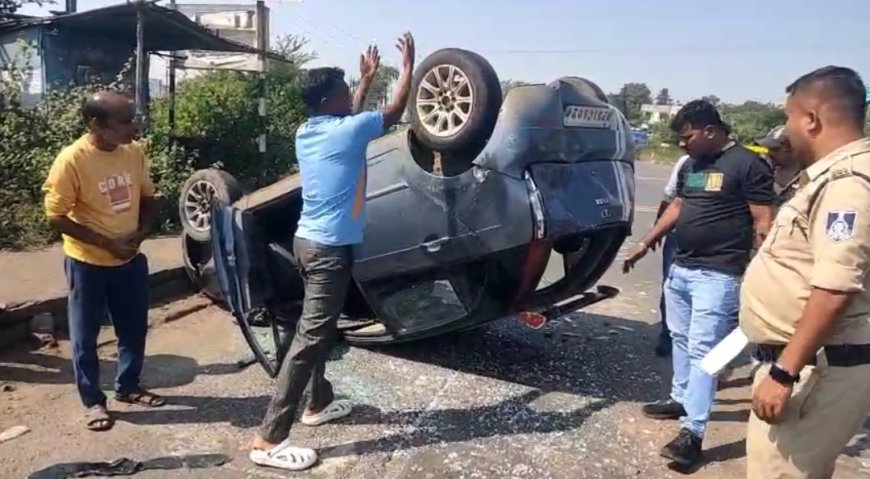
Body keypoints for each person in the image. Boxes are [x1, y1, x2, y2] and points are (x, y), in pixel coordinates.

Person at [248, 33, 416, 472]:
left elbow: (353, 113)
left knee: (314, 329)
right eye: (344, 93)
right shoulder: (348, 129)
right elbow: (394, 111)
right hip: (327, 251)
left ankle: (317, 403)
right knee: (310, 340)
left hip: (307, 243)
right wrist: (408, 67)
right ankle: (269, 439)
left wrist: (362, 81)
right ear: (328, 100)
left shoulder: (309, 130)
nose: (350, 98)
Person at [622, 100, 775, 469]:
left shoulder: (747, 165)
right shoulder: (694, 165)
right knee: (679, 339)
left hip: (718, 274)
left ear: (710, 130)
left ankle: (693, 433)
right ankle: (680, 399)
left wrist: (763, 270)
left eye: (687, 136)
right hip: (682, 269)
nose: (682, 144)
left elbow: (763, 221)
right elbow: (677, 207)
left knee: (706, 353)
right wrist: (645, 243)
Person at [740, 65, 870, 479]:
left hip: (814, 370)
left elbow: (835, 287)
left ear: (811, 119)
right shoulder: (835, 177)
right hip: (813, 364)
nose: (785, 129)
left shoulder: (847, 183)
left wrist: (784, 372)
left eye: (788, 118)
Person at [42, 91, 164, 432]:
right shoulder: (72, 160)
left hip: (129, 260)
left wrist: (139, 235)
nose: (133, 126)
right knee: (85, 336)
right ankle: (94, 400)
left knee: (134, 328)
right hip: (87, 262)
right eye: (124, 121)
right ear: (96, 124)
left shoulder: (134, 152)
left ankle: (128, 386)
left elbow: (148, 196)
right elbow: (56, 215)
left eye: (133, 118)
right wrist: (106, 243)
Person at [654, 153, 690, 357]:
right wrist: (657, 230)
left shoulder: (737, 164)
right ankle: (668, 335)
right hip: (677, 237)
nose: (684, 143)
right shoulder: (686, 162)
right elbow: (671, 198)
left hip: (715, 246)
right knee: (671, 286)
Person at [755, 125, 802, 196]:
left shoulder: (809, 173)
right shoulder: (767, 170)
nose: (769, 153)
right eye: (768, 149)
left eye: (775, 149)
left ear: (791, 148)